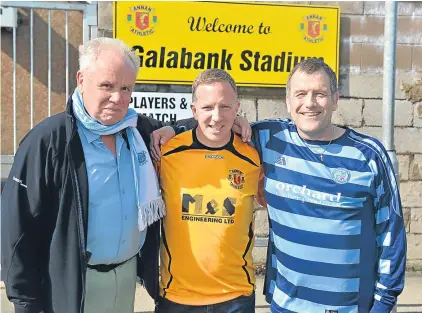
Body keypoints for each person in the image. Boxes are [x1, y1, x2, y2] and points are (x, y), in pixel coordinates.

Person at [151, 59, 407, 313]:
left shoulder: (368, 155)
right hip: (285, 304)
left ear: (335, 98)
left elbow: (391, 233)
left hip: (351, 306)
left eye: (320, 94)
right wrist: (172, 128)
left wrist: (385, 301)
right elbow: (213, 127)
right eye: (301, 94)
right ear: (288, 101)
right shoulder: (268, 138)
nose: (309, 103)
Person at [1, 37, 178, 313]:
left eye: (126, 88)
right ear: (81, 80)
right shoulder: (49, 140)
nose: (118, 98)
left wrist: (233, 122)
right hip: (72, 287)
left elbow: (201, 124)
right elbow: (17, 227)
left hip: (127, 278)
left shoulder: (139, 130)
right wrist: (25, 301)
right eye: (106, 85)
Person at [154, 69, 264, 313]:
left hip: (236, 297)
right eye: (207, 108)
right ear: (194, 111)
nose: (217, 116)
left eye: (225, 107)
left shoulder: (254, 156)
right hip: (178, 297)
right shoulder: (167, 152)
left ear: (237, 108)